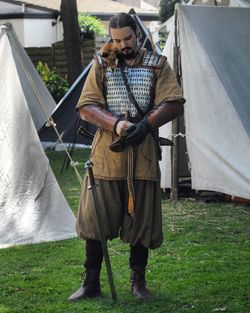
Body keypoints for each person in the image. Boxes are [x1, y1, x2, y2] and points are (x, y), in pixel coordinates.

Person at [68, 12, 185, 301]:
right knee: (96, 217)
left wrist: (145, 125)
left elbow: (173, 102)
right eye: (117, 40)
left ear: (138, 34)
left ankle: (138, 283)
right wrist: (117, 124)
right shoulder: (101, 63)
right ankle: (91, 282)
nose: (122, 45)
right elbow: (86, 105)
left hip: (142, 151)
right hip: (107, 153)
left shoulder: (157, 64)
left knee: (141, 219)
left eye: (128, 38)